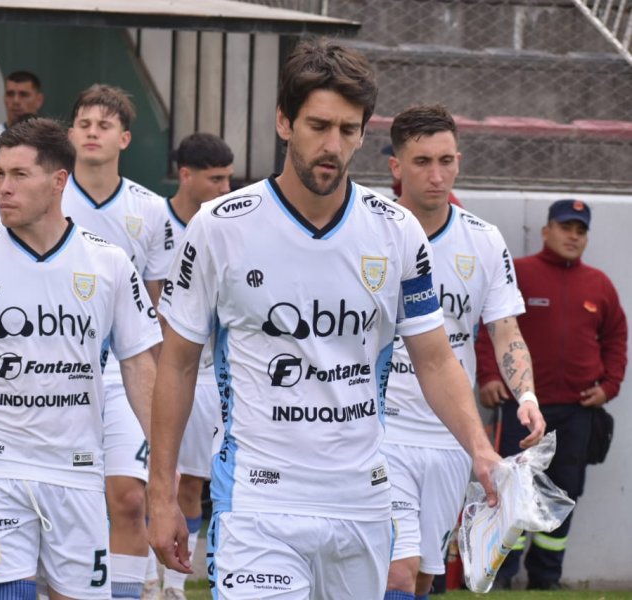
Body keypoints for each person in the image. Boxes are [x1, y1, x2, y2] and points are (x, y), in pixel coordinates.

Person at [148, 38, 503, 599]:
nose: (332, 145)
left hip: (361, 500)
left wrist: (480, 450)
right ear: (284, 122)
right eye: (318, 125)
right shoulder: (220, 226)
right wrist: (161, 492)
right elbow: (177, 363)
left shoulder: (396, 232)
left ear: (364, 132)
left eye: (348, 129)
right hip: (258, 501)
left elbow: (435, 359)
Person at [0, 118, 161, 600]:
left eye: (19, 176)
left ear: (58, 181)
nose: (3, 189)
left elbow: (139, 365)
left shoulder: (109, 263)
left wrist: (165, 465)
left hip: (77, 468)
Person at [380, 105, 545, 600]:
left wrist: (527, 395)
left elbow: (506, 331)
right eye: (422, 161)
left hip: (451, 434)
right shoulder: (370, 228)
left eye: (446, 161)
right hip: (379, 428)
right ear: (396, 166)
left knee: (425, 577)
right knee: (397, 572)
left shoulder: (484, 240)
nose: (436, 175)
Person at [475, 199, 628, 591]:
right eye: (565, 227)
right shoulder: (521, 274)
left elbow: (616, 339)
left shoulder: (599, 285)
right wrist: (491, 376)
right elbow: (492, 327)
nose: (573, 236)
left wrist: (609, 386)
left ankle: (546, 578)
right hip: (523, 408)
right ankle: (502, 575)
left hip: (578, 411)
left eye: (580, 230)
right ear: (546, 231)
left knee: (564, 491)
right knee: (512, 490)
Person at [62, 84, 174, 600]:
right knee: (72, 500)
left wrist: (162, 379)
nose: (91, 132)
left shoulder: (150, 210)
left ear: (125, 138)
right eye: (84, 123)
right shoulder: (49, 195)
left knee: (129, 496)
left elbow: (153, 306)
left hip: (125, 368)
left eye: (103, 125)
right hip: (57, 369)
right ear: (70, 134)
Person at [142, 133, 234, 600]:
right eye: (215, 179)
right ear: (185, 175)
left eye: (227, 178)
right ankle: (141, 575)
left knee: (193, 479)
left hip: (207, 377)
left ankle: (174, 586)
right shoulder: (154, 220)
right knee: (145, 478)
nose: (224, 187)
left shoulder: (228, 226)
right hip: (159, 369)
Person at [0, 71, 44, 141]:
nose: (16, 101)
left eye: (23, 94)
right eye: (10, 94)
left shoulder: (51, 139)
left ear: (39, 100)